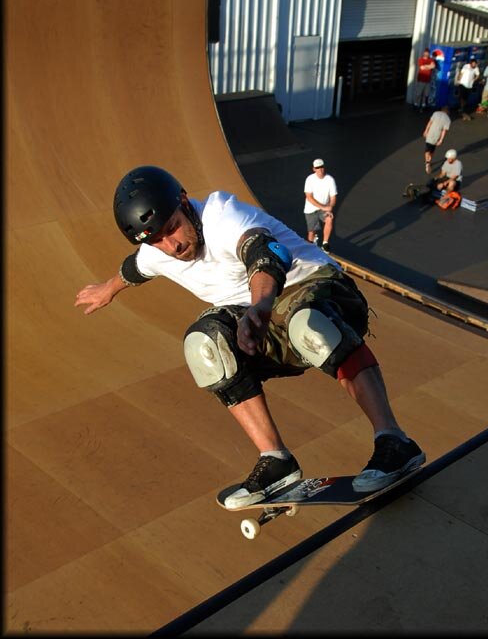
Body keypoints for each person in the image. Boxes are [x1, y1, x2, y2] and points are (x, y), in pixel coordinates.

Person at [75, 166, 425, 508]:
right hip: (263, 322)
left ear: (184, 202)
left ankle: (394, 441)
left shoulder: (222, 215)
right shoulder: (158, 249)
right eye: (158, 240)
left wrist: (259, 308)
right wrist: (107, 289)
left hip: (322, 291)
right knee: (204, 345)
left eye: (172, 229)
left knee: (308, 323)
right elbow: (135, 268)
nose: (173, 245)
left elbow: (264, 253)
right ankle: (276, 462)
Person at [304, 159, 337, 252]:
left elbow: (333, 197)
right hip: (311, 209)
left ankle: (325, 244)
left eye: (321, 167)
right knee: (311, 232)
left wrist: (330, 208)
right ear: (314, 169)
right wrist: (324, 207)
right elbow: (309, 197)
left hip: (324, 209)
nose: (320, 169)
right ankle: (310, 249)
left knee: (329, 219)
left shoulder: (330, 180)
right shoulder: (309, 179)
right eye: (317, 168)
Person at [422, 105, 451, 175]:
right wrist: (441, 140)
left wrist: (426, 130)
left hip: (430, 134)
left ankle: (427, 163)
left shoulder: (435, 113)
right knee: (432, 150)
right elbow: (444, 131)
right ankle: (429, 161)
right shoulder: (448, 119)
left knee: (427, 150)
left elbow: (430, 123)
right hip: (436, 136)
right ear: (448, 112)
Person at [456, 57, 480, 121]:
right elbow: (461, 73)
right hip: (463, 83)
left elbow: (478, 75)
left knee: (466, 98)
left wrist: (474, 79)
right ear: (471, 63)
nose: (474, 65)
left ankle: (463, 108)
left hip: (469, 85)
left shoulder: (476, 68)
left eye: (475, 64)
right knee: (461, 96)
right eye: (473, 63)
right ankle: (461, 108)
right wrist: (458, 79)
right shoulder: (466, 66)